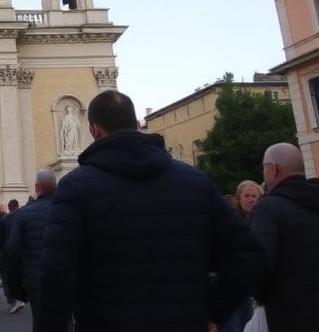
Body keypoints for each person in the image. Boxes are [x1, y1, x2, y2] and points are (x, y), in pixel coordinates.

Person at [39, 90, 267, 332]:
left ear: (94, 130)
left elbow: (56, 274)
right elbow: (250, 254)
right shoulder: (196, 182)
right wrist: (215, 312)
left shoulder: (75, 187)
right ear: (137, 124)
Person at [251, 142, 319, 332]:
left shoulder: (268, 209)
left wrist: (262, 296)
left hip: (289, 315)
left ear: (272, 168)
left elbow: (259, 263)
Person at [8, 170, 57, 331]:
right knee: (64, 319)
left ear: (36, 187)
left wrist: (15, 286)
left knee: (39, 320)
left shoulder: (23, 214)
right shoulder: (68, 210)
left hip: (36, 277)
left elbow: (13, 251)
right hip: (65, 275)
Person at [220, 180, 264, 332]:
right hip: (235, 284)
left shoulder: (265, 220)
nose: (250, 200)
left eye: (254, 196)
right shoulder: (230, 220)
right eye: (247, 196)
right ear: (239, 198)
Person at [0, 198, 26, 314]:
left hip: (7, 252)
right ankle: (21, 297)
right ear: (18, 206)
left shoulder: (4, 220)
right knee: (21, 274)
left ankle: (13, 299)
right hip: (22, 251)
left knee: (6, 276)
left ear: (9, 208)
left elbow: (0, 238)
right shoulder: (24, 218)